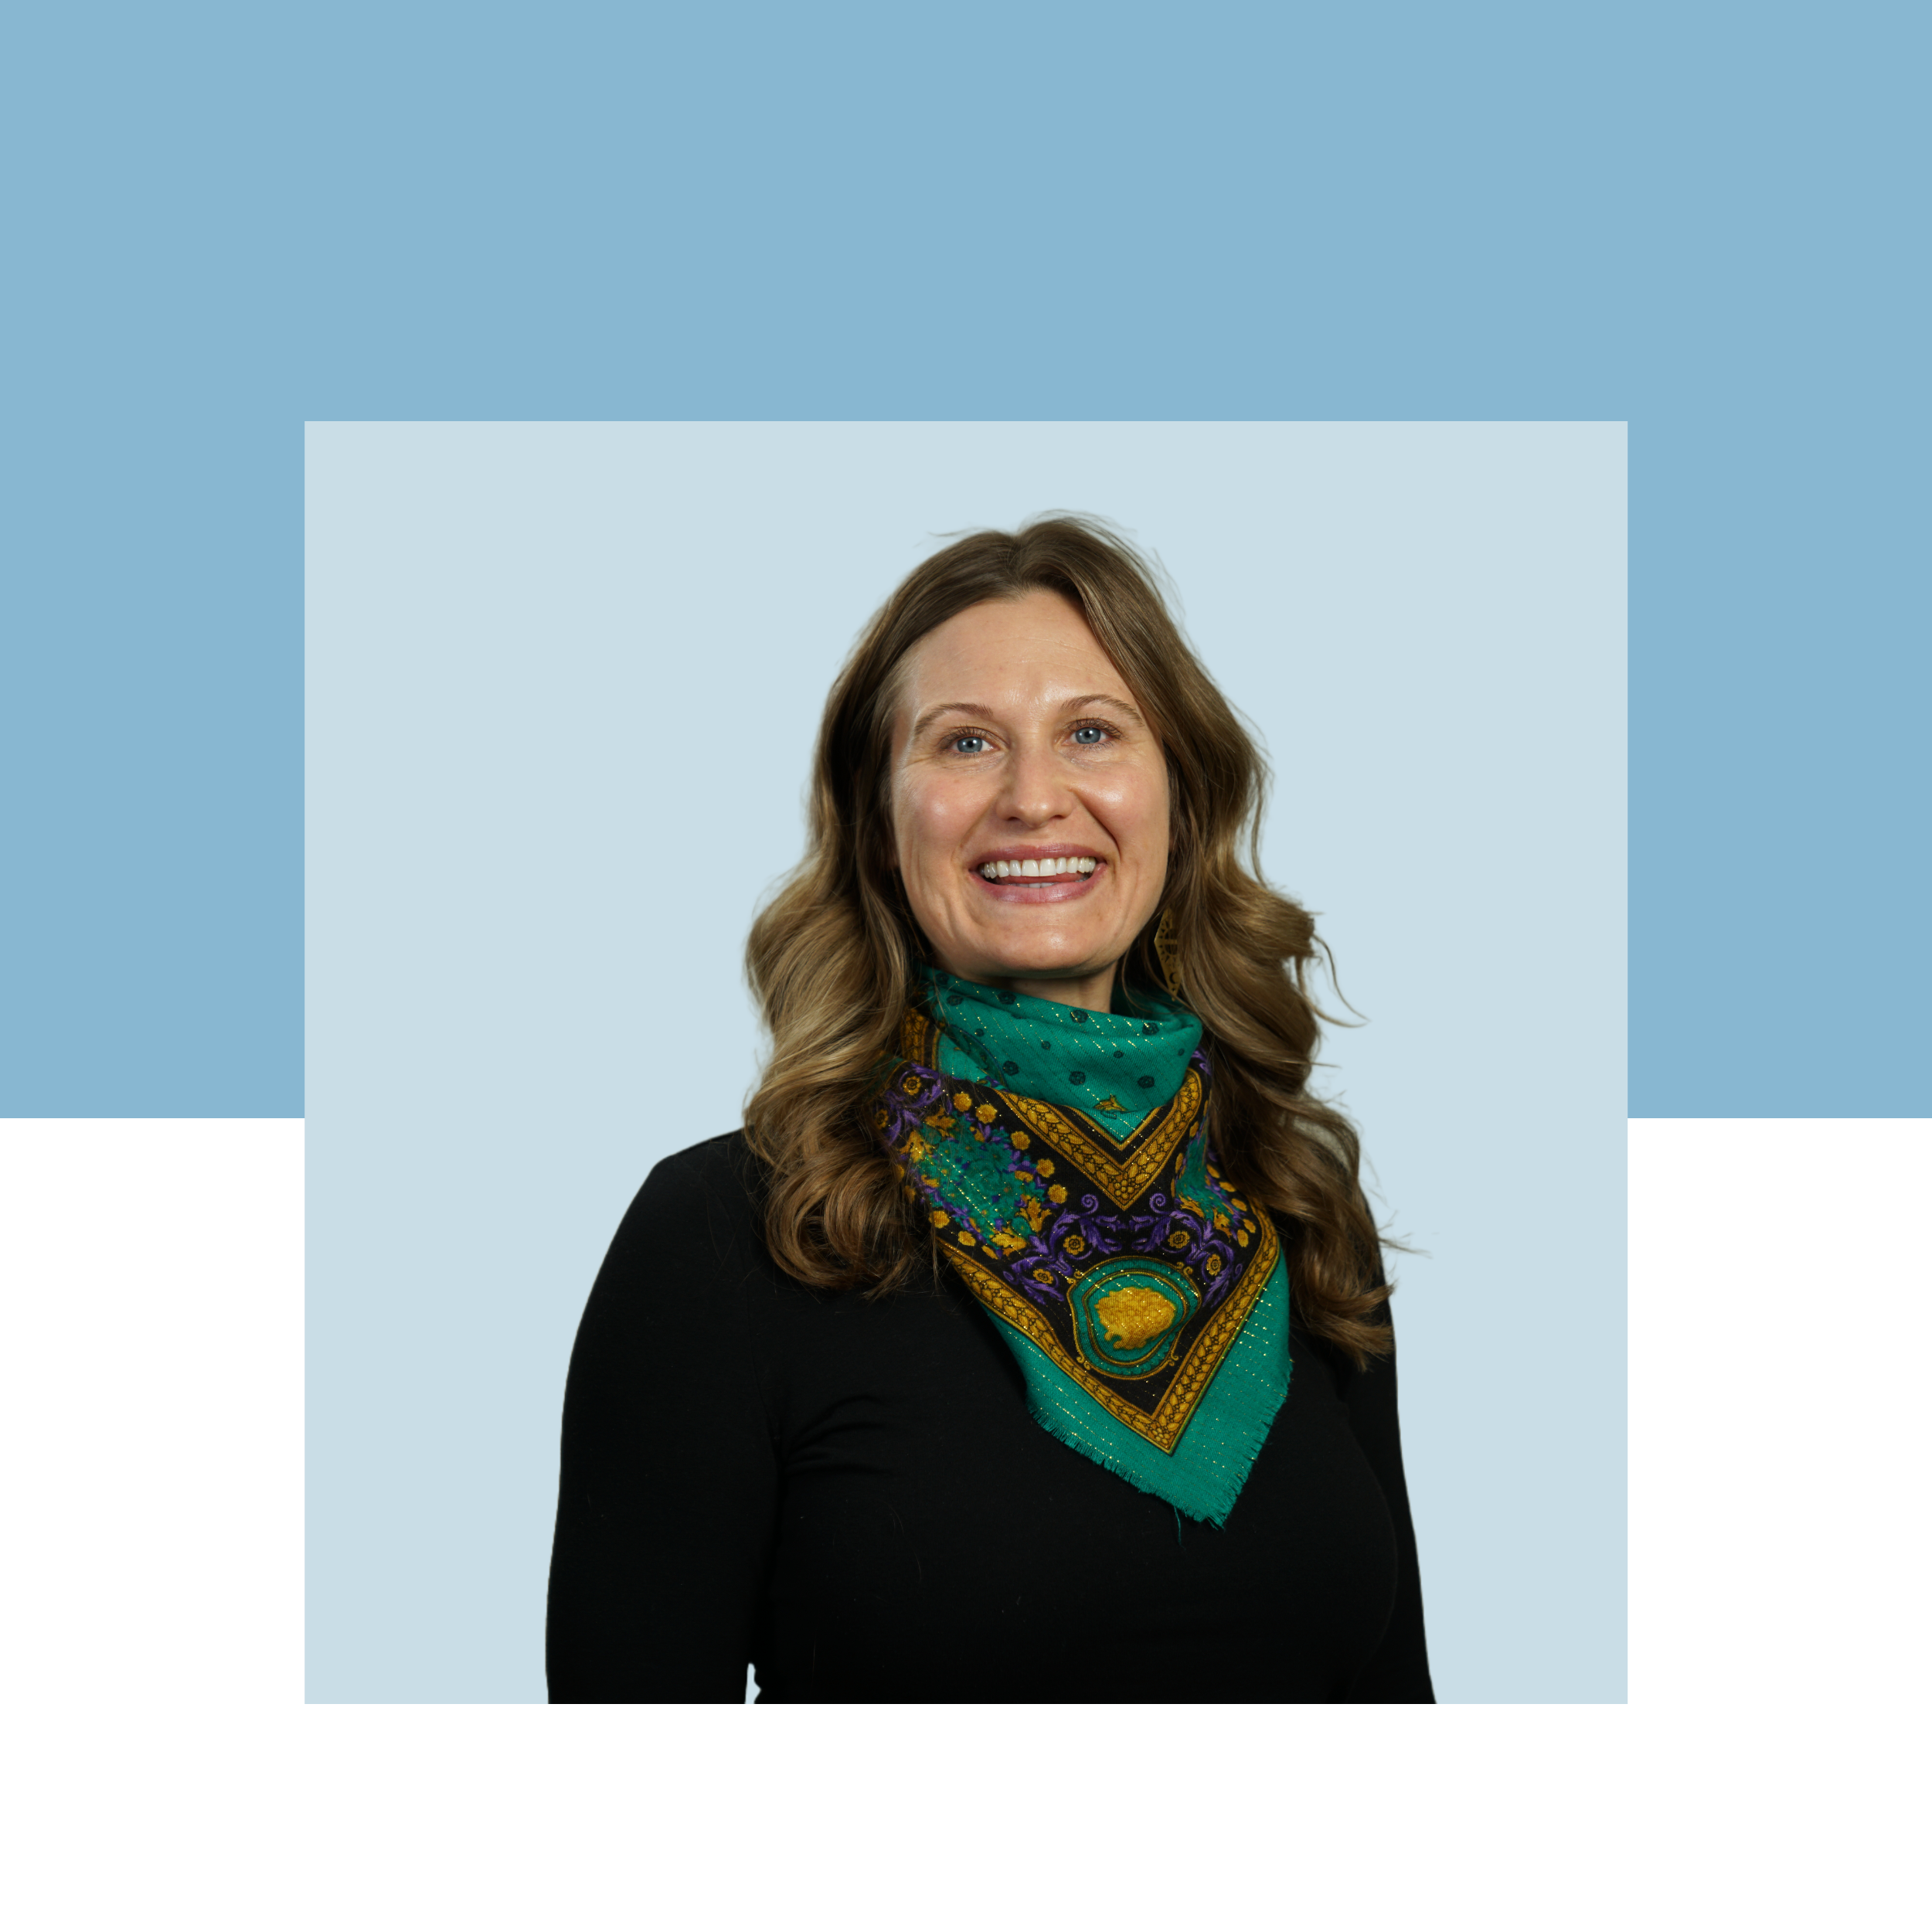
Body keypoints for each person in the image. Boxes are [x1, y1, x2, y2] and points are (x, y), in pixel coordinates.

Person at [546, 515, 1433, 1702]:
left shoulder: (1292, 1196)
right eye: (965, 743)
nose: (1032, 797)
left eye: (1091, 731)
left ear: (1182, 792)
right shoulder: (729, 1231)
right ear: (878, 819)